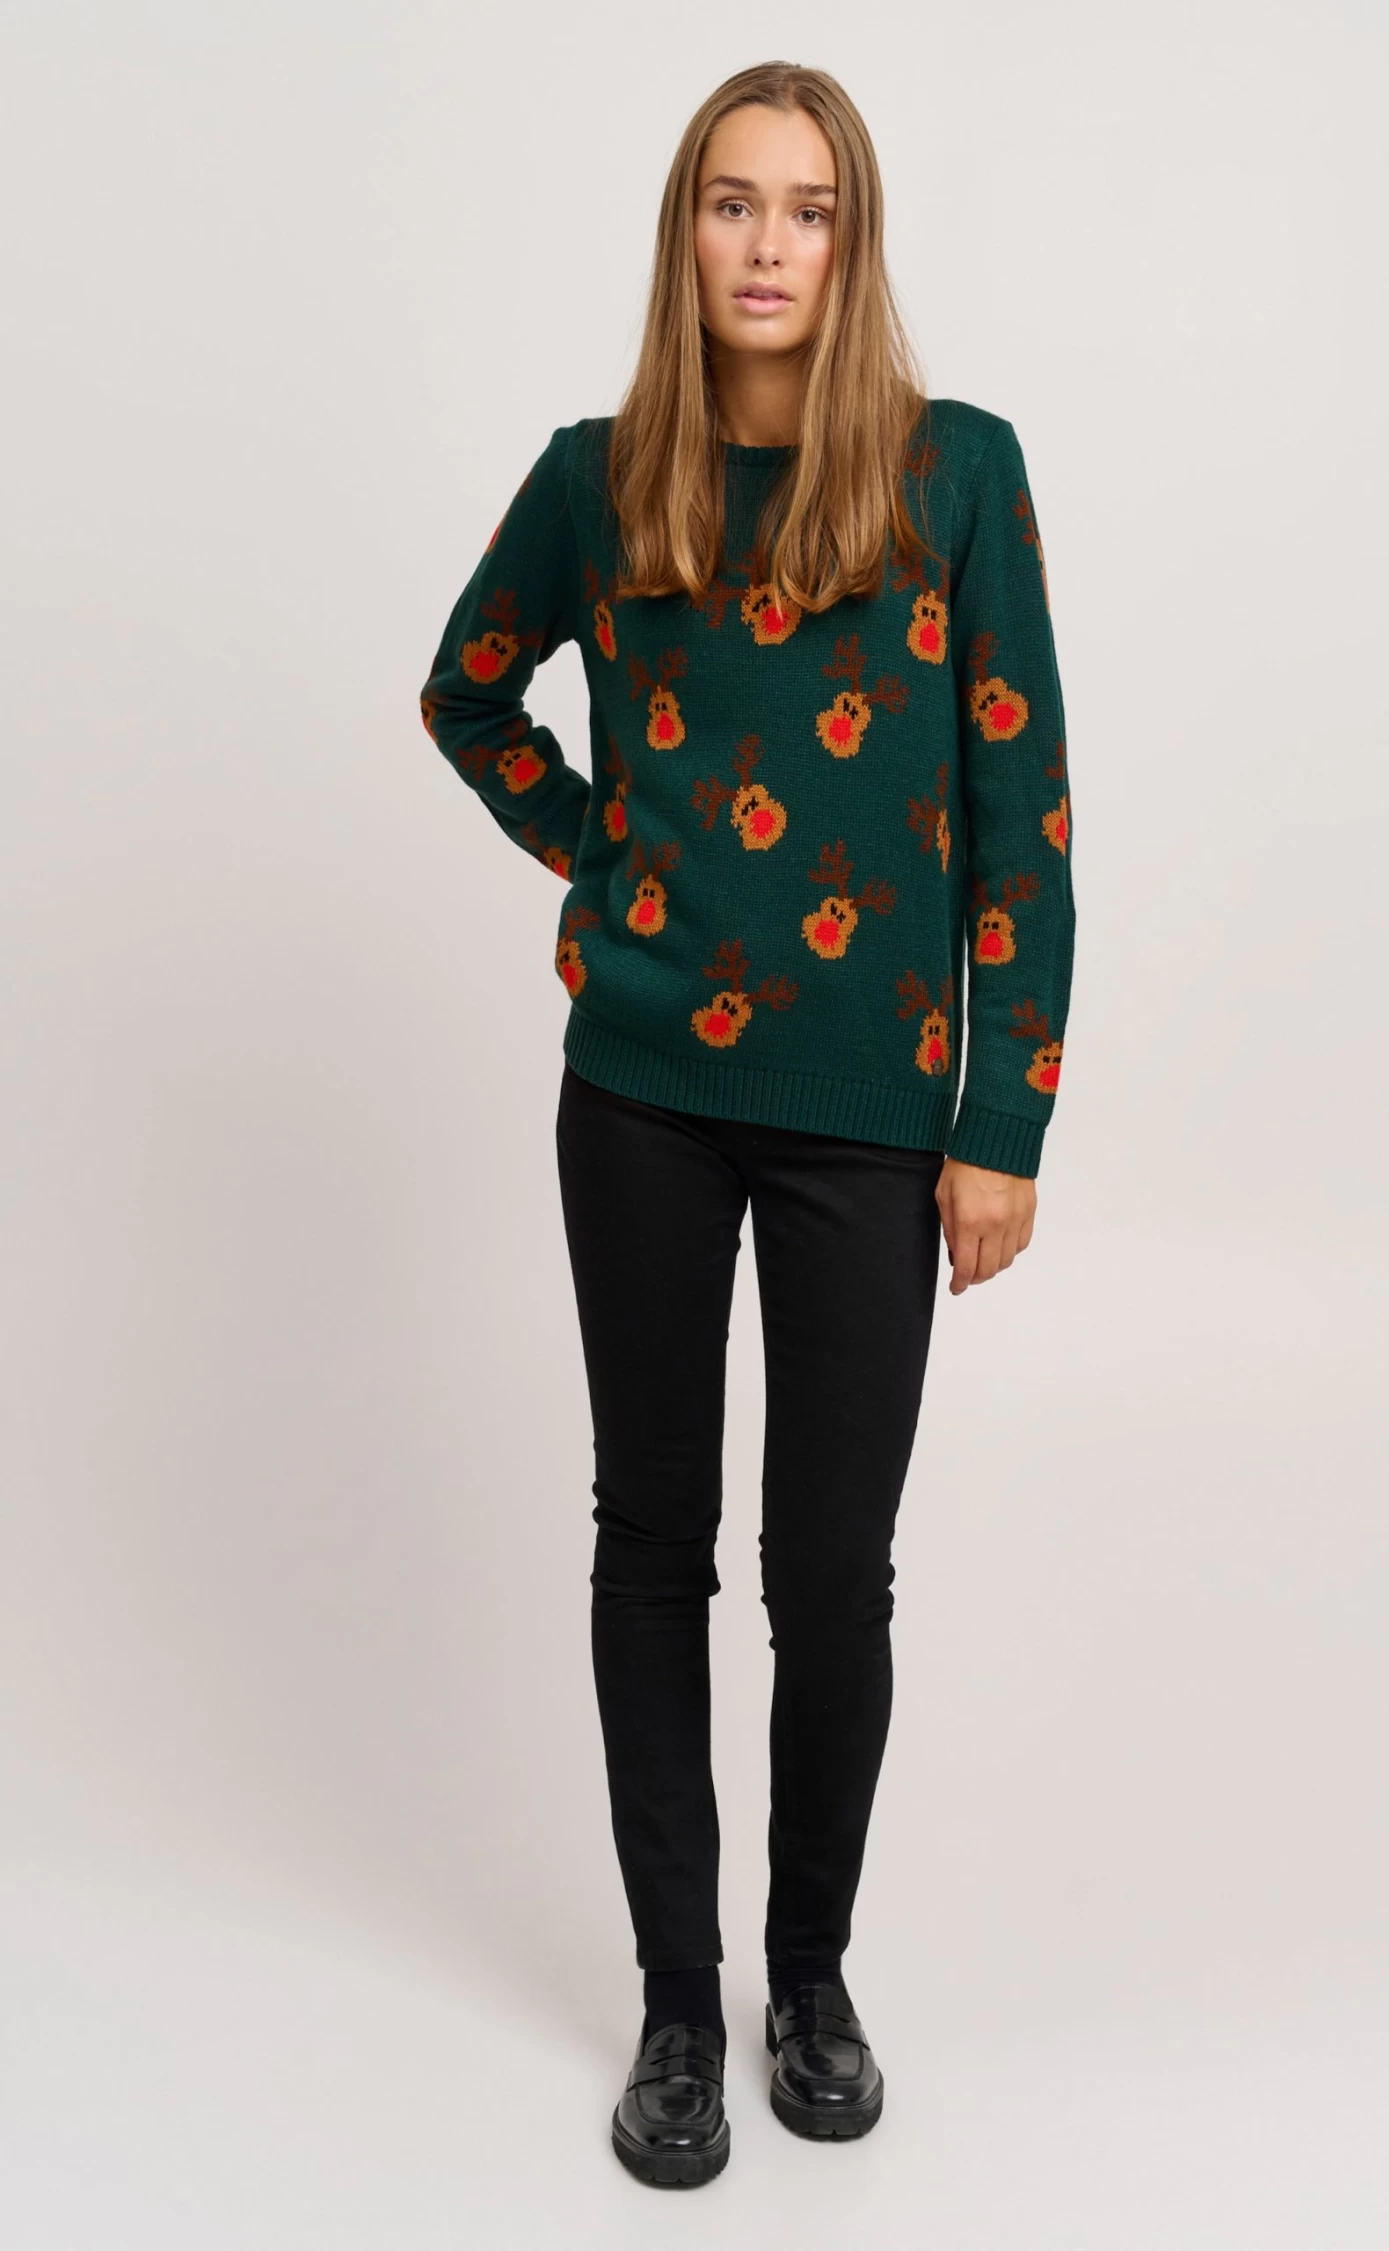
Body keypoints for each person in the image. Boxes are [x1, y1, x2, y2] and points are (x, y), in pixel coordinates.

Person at [417, 59, 1076, 2188]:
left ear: (851, 241)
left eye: (806, 207)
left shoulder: (958, 476)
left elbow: (1022, 821)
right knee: (651, 1540)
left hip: (873, 1113)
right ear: (685, 233)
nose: (768, 243)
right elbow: (466, 690)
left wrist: (1004, 1115)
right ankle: (680, 2008)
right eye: (731, 202)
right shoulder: (602, 477)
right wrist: (603, 858)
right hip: (640, 1096)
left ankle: (813, 1977)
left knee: (833, 1574)